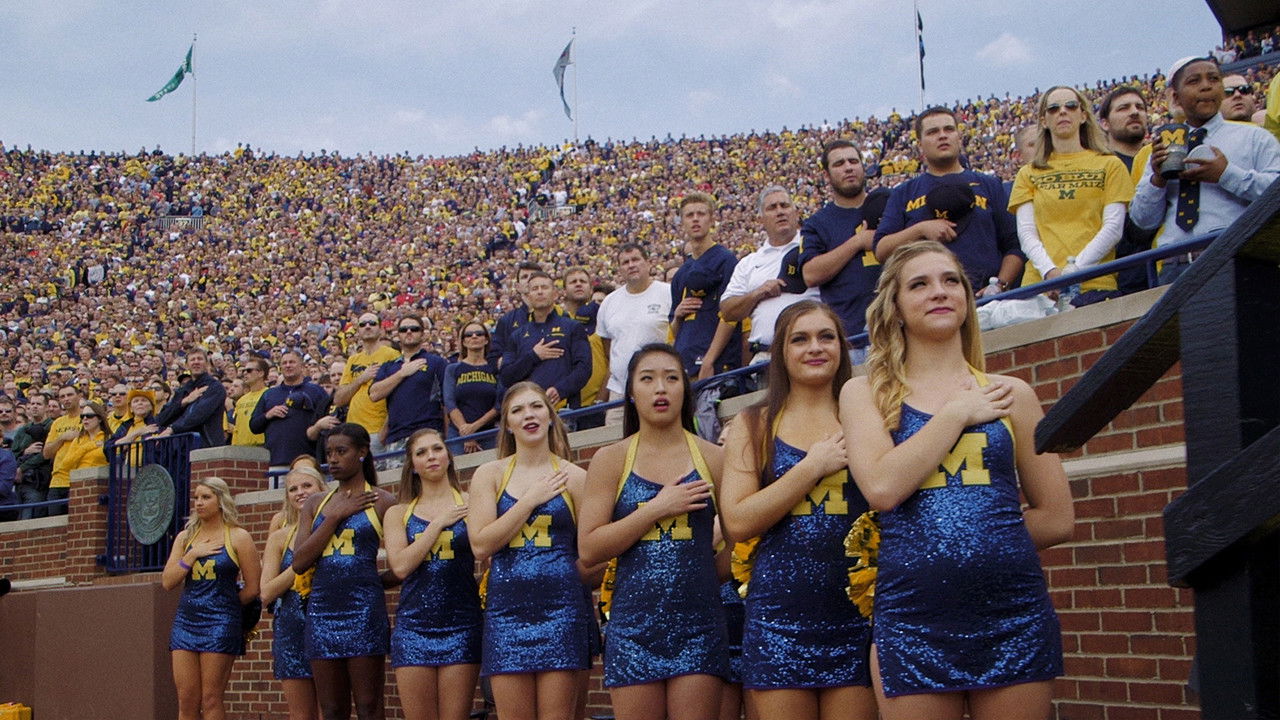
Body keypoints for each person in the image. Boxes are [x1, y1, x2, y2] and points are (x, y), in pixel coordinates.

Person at [840, 241, 1074, 720]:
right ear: (897, 307)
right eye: (919, 284)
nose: (939, 292)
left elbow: (1056, 518)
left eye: (951, 281)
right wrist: (955, 414)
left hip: (1012, 611)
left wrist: (982, 539)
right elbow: (882, 488)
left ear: (968, 298)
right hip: (914, 618)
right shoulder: (865, 392)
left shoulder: (1013, 395)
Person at [718, 300, 876, 719]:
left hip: (857, 618)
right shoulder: (754, 424)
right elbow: (737, 520)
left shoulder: (870, 417)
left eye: (826, 337)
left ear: (842, 347)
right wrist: (811, 467)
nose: (815, 347)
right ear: (781, 354)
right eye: (799, 339)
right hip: (779, 620)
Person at [579, 344, 729, 720]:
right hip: (633, 627)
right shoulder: (610, 459)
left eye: (671, 378)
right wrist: (657, 509)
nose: (660, 388)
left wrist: (704, 576)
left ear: (685, 389)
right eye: (648, 379)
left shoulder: (713, 457)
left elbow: (744, 538)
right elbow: (590, 548)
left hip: (699, 624)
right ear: (631, 392)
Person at [467, 381, 593, 720]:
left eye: (536, 406)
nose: (529, 415)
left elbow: (592, 552)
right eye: (518, 410)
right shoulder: (489, 474)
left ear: (551, 416)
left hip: (562, 611)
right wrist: (530, 500)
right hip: (507, 613)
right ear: (507, 424)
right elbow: (480, 544)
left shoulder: (575, 477)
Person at [1130, 57, 1280, 284]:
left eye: (1214, 79)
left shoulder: (1254, 138)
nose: (1206, 85)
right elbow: (1143, 220)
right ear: (1176, 97)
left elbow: (1276, 195)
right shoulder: (1160, 147)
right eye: (1193, 81)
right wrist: (1157, 179)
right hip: (1174, 267)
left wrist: (1226, 174)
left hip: (1235, 259)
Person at [292, 423, 396, 720]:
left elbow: (404, 562)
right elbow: (300, 562)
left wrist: (374, 583)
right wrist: (334, 517)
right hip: (322, 612)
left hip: (364, 611)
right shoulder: (316, 503)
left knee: (368, 705)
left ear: (363, 452)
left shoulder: (383, 501)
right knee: (332, 708)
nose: (333, 459)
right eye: (328, 453)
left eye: (341, 451)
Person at [384, 428, 482, 720]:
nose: (431, 457)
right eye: (421, 452)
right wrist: (437, 524)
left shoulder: (471, 501)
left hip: (462, 622)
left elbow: (484, 552)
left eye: (437, 449)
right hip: (414, 625)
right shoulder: (397, 512)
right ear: (412, 465)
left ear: (449, 456)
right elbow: (400, 566)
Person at [874, 107, 1024, 295]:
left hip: (985, 300)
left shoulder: (990, 185)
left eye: (949, 129)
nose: (942, 136)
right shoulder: (903, 193)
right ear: (920, 144)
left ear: (958, 137)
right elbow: (881, 250)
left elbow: (1014, 245)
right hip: (929, 300)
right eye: (933, 132)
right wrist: (920, 230)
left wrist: (999, 285)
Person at [1008, 86, 1135, 298]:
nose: (1062, 112)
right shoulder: (1028, 173)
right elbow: (1027, 233)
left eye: (1071, 106)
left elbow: (1113, 228)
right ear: (1043, 120)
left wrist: (1073, 271)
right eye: (1053, 108)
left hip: (1095, 284)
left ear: (1083, 115)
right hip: (1039, 287)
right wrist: (1050, 272)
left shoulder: (1110, 165)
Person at [162, 477, 262, 720]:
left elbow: (252, 588)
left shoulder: (238, 536)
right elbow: (168, 581)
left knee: (211, 697)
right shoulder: (185, 538)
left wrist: (226, 608)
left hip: (220, 621)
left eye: (206, 497)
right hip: (187, 620)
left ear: (221, 500)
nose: (199, 502)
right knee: (186, 698)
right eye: (196, 497)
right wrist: (192, 555)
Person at [799, 140, 890, 360]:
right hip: (853, 337)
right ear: (827, 176)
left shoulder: (890, 203)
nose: (848, 167)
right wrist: (857, 242)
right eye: (839, 163)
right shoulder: (817, 223)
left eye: (853, 161)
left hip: (900, 325)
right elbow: (810, 274)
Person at [717, 185, 819, 369]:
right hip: (766, 357)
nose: (780, 212)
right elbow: (728, 311)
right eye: (772, 208)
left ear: (796, 212)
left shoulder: (816, 246)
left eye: (784, 206)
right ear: (760, 219)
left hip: (812, 351)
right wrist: (757, 293)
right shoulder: (749, 263)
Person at [260, 465, 327, 720]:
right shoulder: (279, 538)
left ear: (322, 488)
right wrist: (301, 563)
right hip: (291, 627)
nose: (300, 493)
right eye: (293, 489)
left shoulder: (337, 527)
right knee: (300, 714)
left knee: (330, 710)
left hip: (330, 623)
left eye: (307, 486)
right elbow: (265, 592)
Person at [596, 244, 672, 426]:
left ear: (648, 263)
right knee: (617, 447)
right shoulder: (609, 302)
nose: (631, 265)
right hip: (619, 391)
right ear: (619, 269)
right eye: (625, 262)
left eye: (636, 259)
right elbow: (608, 348)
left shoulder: (667, 293)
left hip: (660, 386)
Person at [670, 192, 742, 377]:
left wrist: (709, 359)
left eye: (701, 214)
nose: (695, 219)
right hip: (685, 365)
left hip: (716, 366)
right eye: (689, 215)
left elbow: (731, 316)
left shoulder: (726, 261)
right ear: (682, 223)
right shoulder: (681, 274)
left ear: (712, 220)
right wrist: (677, 317)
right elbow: (674, 331)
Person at [497, 272, 591, 412]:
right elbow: (506, 376)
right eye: (535, 289)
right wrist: (533, 356)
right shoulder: (517, 336)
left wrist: (560, 390)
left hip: (564, 410)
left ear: (555, 294)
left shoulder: (573, 327)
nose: (540, 292)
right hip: (528, 413)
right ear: (528, 297)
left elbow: (584, 368)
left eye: (544, 287)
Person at [1097, 85, 1159, 295]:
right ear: (1104, 123)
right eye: (1123, 108)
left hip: (1165, 269)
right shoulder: (1098, 167)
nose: (1134, 112)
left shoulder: (1160, 160)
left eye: (1139, 107)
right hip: (1122, 280)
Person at [369, 315, 449, 452]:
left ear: (423, 334)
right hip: (397, 438)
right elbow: (374, 394)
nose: (409, 332)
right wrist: (402, 373)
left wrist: (447, 439)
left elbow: (447, 403)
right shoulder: (389, 366)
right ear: (398, 334)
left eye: (414, 329)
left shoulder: (436, 362)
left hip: (429, 433)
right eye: (403, 329)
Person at [249, 350, 333, 471]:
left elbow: (329, 420)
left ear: (302, 366)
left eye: (292, 362)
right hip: (277, 462)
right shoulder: (269, 394)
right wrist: (268, 414)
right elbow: (253, 426)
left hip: (309, 461)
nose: (288, 365)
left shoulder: (316, 391)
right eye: (284, 363)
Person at [333, 312, 398, 451]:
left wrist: (385, 430)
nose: (367, 326)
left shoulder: (392, 355)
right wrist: (361, 379)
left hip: (378, 430)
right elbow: (339, 399)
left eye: (372, 323)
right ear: (358, 331)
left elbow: (400, 395)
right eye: (363, 324)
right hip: (353, 431)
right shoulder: (352, 360)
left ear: (381, 329)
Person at [443, 321, 500, 454]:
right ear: (463, 342)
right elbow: (450, 403)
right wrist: (466, 432)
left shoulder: (495, 368)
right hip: (458, 433)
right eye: (468, 335)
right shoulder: (452, 369)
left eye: (479, 334)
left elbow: (499, 404)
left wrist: (473, 428)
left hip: (489, 432)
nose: (474, 336)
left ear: (486, 340)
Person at [155, 348, 228, 448]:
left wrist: (172, 429)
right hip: (182, 449)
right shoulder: (182, 391)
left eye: (200, 359)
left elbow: (199, 413)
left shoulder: (215, 387)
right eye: (192, 359)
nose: (196, 362)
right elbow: (162, 418)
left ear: (207, 363)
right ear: (186, 365)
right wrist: (185, 401)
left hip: (207, 446)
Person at [107, 388, 160, 465]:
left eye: (144, 400)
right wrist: (138, 433)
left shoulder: (158, 423)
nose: (140, 403)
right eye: (136, 401)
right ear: (131, 408)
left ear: (151, 407)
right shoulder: (125, 426)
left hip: (150, 471)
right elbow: (111, 448)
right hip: (125, 473)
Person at [231, 357, 269, 447]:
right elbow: (237, 428)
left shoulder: (269, 395)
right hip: (240, 449)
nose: (244, 373)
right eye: (244, 370)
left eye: (249, 370)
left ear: (261, 373)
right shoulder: (241, 400)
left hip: (262, 447)